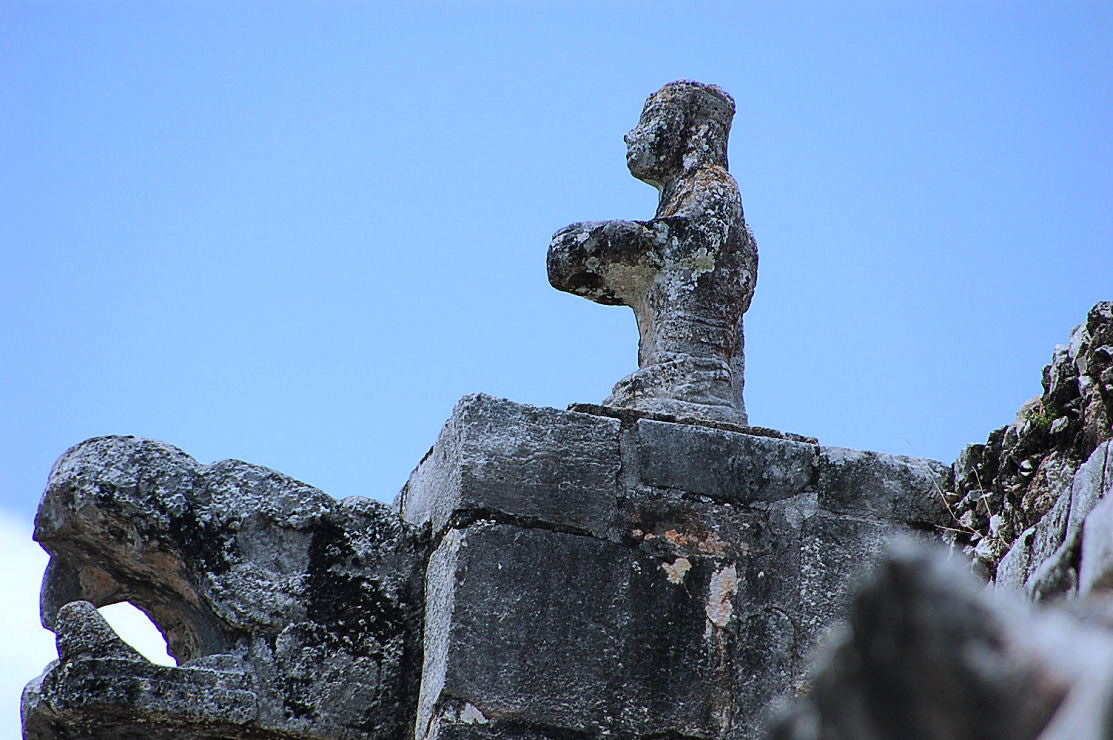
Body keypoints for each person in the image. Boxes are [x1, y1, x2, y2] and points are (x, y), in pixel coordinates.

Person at [548, 80, 758, 425]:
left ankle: (681, 376)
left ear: (687, 128)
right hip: (670, 371)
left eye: (649, 121)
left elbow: (691, 246)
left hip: (696, 376)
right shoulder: (682, 196)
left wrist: (611, 240)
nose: (631, 136)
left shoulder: (713, 185)